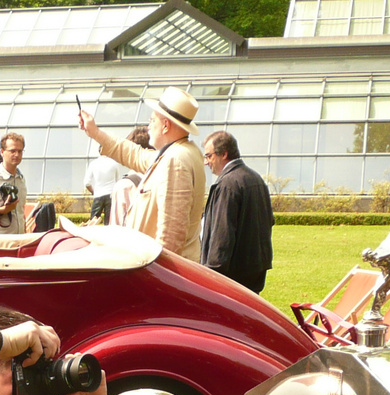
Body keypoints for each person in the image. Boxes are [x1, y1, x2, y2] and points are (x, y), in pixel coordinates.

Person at [78, 86, 206, 260]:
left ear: (165, 125)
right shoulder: (180, 152)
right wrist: (95, 133)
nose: (148, 126)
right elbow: (134, 154)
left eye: (152, 120)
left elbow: (170, 236)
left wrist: (156, 276)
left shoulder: (175, 160)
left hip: (161, 270)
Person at [199, 130, 274, 293]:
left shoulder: (228, 184)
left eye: (209, 156)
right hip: (255, 270)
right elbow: (269, 221)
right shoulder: (255, 178)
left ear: (223, 154)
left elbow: (222, 234)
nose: (206, 162)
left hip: (232, 275)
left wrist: (211, 273)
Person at [84, 150, 126, 224]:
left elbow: (87, 183)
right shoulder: (114, 163)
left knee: (93, 222)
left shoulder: (93, 164)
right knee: (109, 222)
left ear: (99, 151)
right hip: (111, 195)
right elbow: (118, 182)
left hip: (98, 195)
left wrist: (94, 192)